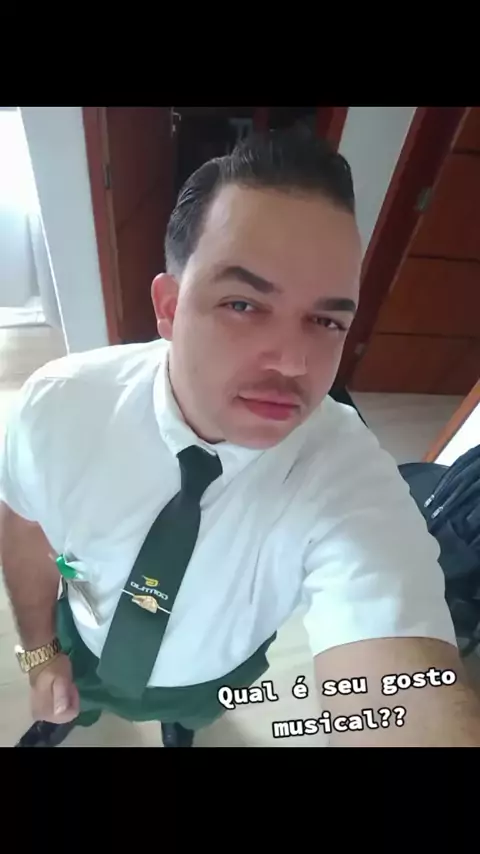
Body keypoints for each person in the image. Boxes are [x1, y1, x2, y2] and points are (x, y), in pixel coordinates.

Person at [1, 128, 480, 749]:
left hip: (215, 673)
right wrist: (40, 655)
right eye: (244, 305)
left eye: (326, 320)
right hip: (87, 637)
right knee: (70, 702)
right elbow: (24, 525)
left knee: (192, 719)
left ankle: (180, 728)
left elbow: (401, 683)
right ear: (169, 307)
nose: (294, 363)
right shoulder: (60, 406)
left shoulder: (346, 474)